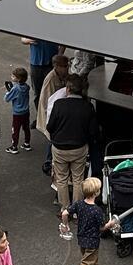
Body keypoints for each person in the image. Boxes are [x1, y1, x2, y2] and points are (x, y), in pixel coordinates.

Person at [46, 73, 99, 212]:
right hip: (79, 148)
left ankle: (65, 208)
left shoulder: (58, 104)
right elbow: (93, 131)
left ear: (68, 89)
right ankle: (76, 210)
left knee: (62, 179)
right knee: (78, 179)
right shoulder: (88, 106)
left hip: (59, 148)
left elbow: (49, 126)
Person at [63, 176, 116, 265]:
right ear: (96, 192)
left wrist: (66, 225)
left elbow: (65, 213)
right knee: (87, 263)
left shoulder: (79, 204)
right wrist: (111, 224)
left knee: (91, 260)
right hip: (92, 241)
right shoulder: (97, 211)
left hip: (81, 238)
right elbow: (102, 228)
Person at [22, 36, 59, 106]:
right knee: (37, 92)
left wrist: (60, 54)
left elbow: (64, 38)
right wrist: (29, 40)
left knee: (53, 90)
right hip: (36, 63)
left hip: (52, 63)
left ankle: (52, 112)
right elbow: (23, 39)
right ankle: (39, 113)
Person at [4, 67, 32, 153]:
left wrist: (8, 91)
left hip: (17, 113)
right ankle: (27, 143)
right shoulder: (27, 87)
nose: (11, 77)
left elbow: (7, 99)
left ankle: (14, 147)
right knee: (26, 128)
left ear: (18, 78)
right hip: (26, 112)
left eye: (13, 76)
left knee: (15, 130)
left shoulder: (15, 89)